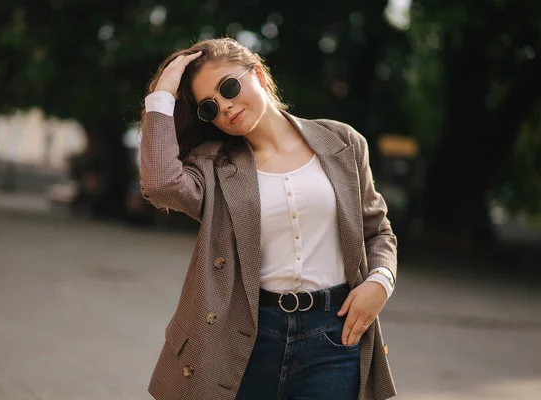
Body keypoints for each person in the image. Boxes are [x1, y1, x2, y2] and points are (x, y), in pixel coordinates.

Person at [140, 38, 398, 400]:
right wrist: (162, 94)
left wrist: (380, 282)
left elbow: (377, 230)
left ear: (258, 74)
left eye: (229, 87)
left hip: (334, 333)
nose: (225, 107)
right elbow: (161, 185)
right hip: (248, 335)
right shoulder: (213, 164)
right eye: (209, 108)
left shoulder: (342, 141)